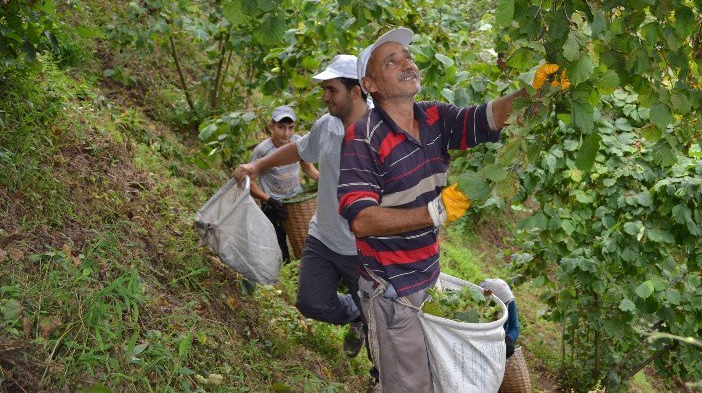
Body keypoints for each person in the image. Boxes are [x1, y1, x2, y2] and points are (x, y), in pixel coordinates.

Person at [338, 28, 561, 393]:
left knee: (433, 379)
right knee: (409, 386)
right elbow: (361, 220)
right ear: (370, 83)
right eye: (390, 61)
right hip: (391, 288)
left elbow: (489, 118)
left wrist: (535, 91)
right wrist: (434, 212)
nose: (406, 63)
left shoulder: (433, 118)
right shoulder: (364, 136)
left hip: (428, 277)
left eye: (407, 56)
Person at [233, 56, 373, 362]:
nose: (325, 96)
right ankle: (358, 313)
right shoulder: (327, 124)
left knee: (382, 326)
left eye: (331, 90)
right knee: (311, 303)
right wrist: (257, 164)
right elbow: (299, 149)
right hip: (323, 237)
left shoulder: (380, 132)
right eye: (324, 89)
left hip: (362, 249)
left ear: (356, 90)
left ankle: (381, 374)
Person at [246, 105, 319, 263]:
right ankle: (281, 281)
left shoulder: (298, 143)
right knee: (279, 250)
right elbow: (248, 181)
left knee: (306, 244)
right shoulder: (263, 151)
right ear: (271, 126)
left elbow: (307, 166)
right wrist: (268, 199)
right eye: (281, 127)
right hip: (273, 205)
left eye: (290, 128)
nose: (286, 133)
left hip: (295, 203)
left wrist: (326, 179)